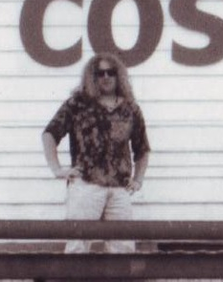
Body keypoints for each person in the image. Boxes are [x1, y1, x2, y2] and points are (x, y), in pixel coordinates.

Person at [41, 52, 150, 253]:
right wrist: (57, 169)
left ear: (119, 76)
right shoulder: (77, 104)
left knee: (123, 247)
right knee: (78, 245)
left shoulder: (131, 109)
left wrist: (138, 179)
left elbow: (142, 149)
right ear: (92, 76)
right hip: (86, 186)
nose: (106, 77)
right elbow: (50, 134)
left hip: (119, 188)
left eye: (111, 72)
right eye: (100, 73)